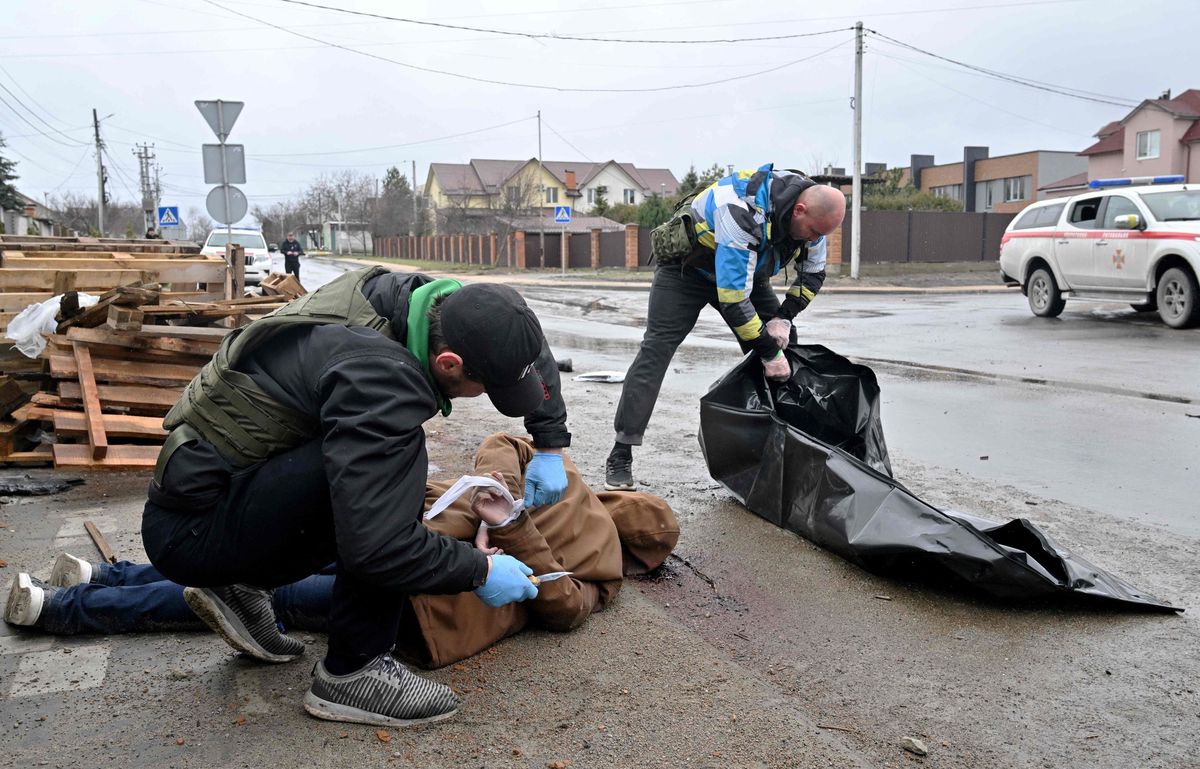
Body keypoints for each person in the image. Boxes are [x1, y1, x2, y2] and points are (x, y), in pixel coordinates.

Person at [140, 267, 574, 727]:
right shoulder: (382, 378)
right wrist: (480, 570)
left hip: (211, 491)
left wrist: (549, 441)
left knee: (378, 469)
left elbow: (515, 332)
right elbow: (378, 548)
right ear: (449, 364)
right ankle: (354, 670)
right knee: (393, 473)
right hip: (191, 531)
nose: (484, 395)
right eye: (485, 386)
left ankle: (242, 584)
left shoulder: (409, 300)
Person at [4, 434, 679, 672]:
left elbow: (558, 598)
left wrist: (505, 521)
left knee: (251, 578)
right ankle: (65, 603)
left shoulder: (579, 507)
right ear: (644, 555)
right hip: (417, 577)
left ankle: (88, 584)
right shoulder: (589, 528)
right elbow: (562, 604)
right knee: (263, 594)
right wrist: (503, 503)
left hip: (400, 547)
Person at [605, 164, 847, 491]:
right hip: (687, 273)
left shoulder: (815, 220)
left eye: (822, 235)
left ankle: (781, 448)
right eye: (815, 232)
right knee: (656, 351)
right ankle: (621, 453)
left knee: (786, 350)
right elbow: (734, 301)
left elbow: (812, 276)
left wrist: (784, 318)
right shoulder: (740, 209)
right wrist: (767, 350)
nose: (816, 239)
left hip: (744, 274)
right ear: (799, 210)